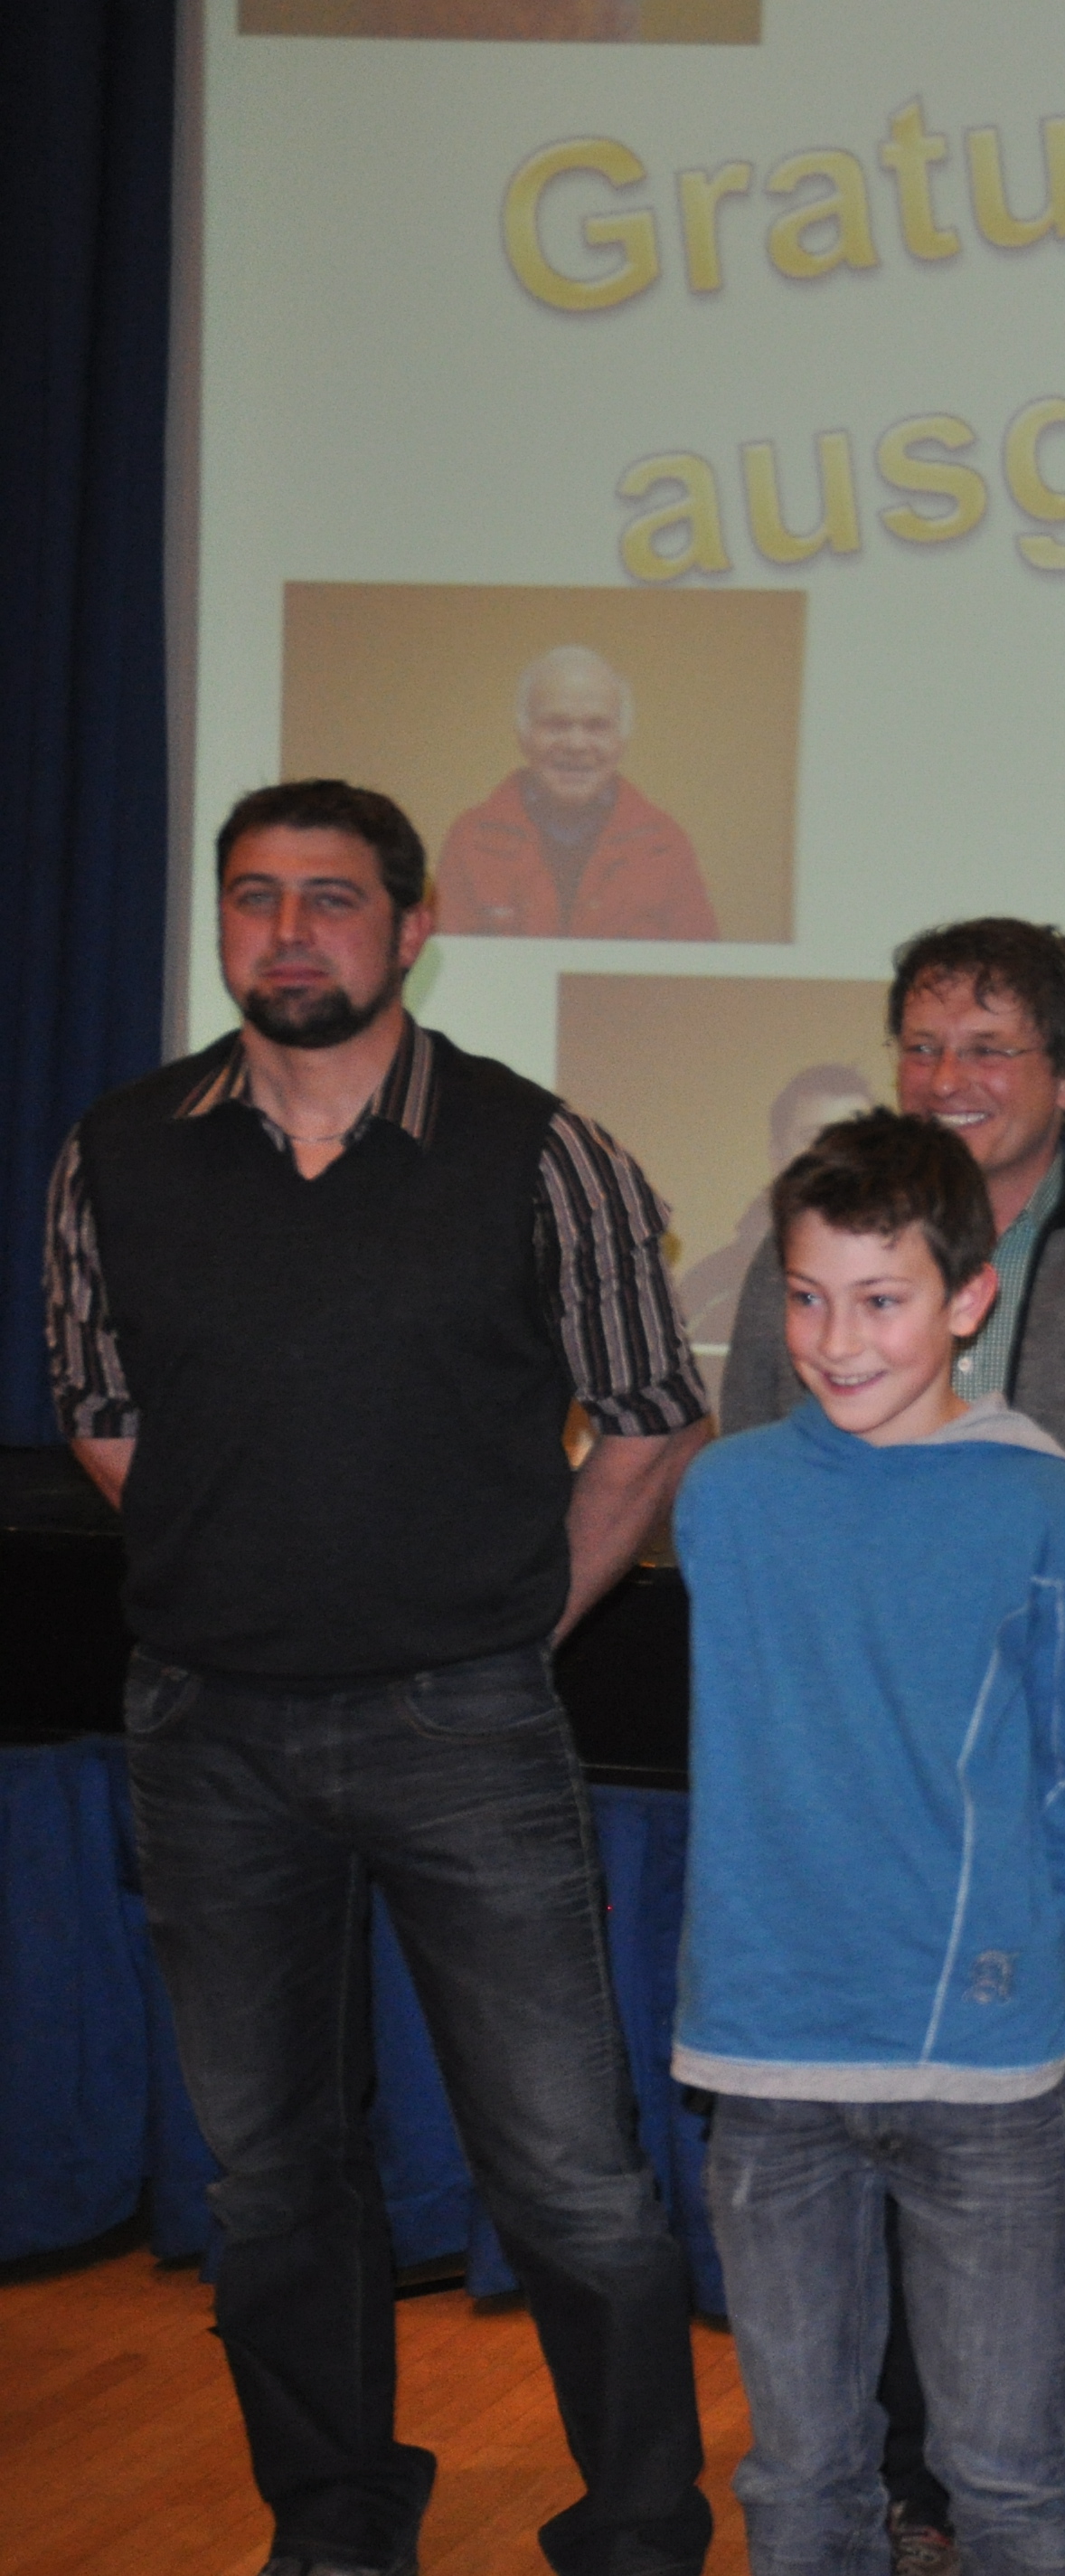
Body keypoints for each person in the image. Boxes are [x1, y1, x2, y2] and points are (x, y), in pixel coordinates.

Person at [43, 778, 714, 2576]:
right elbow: (101, 1406)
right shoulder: (119, 1147)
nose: (288, 931)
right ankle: (336, 2523)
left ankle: (638, 2531)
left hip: (462, 1722)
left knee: (568, 2170)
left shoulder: (539, 1147)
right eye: (253, 895)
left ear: (414, 926)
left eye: (330, 897)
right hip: (207, 1728)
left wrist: (510, 1617)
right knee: (271, 2176)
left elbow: (653, 1415)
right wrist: (250, 1560)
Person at [718, 919, 1065, 2576]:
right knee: (855, 2235)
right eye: (922, 1043)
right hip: (855, 1853)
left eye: (990, 1047)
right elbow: (770, 1505)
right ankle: (907, 2499)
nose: (948, 1077)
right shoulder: (797, 1284)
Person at [670, 1109, 1065, 2576]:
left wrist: (1062, 2003)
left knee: (1008, 2475)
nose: (838, 1339)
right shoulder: (725, 1495)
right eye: (808, 1297)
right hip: (769, 2060)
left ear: (967, 1297)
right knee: (798, 2474)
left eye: (880, 1299)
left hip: (984, 2074)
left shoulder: (1044, 1500)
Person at [436, 645, 721, 940]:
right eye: (556, 725)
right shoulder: (471, 840)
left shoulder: (664, 845)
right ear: (523, 734)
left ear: (621, 739)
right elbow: (447, 964)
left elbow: (700, 966)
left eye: (597, 726)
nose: (576, 744)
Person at [674, 1060, 877, 1351]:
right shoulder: (712, 1288)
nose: (835, 1155)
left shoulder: (916, 1276)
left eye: (854, 1139)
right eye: (812, 1138)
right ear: (777, 1155)